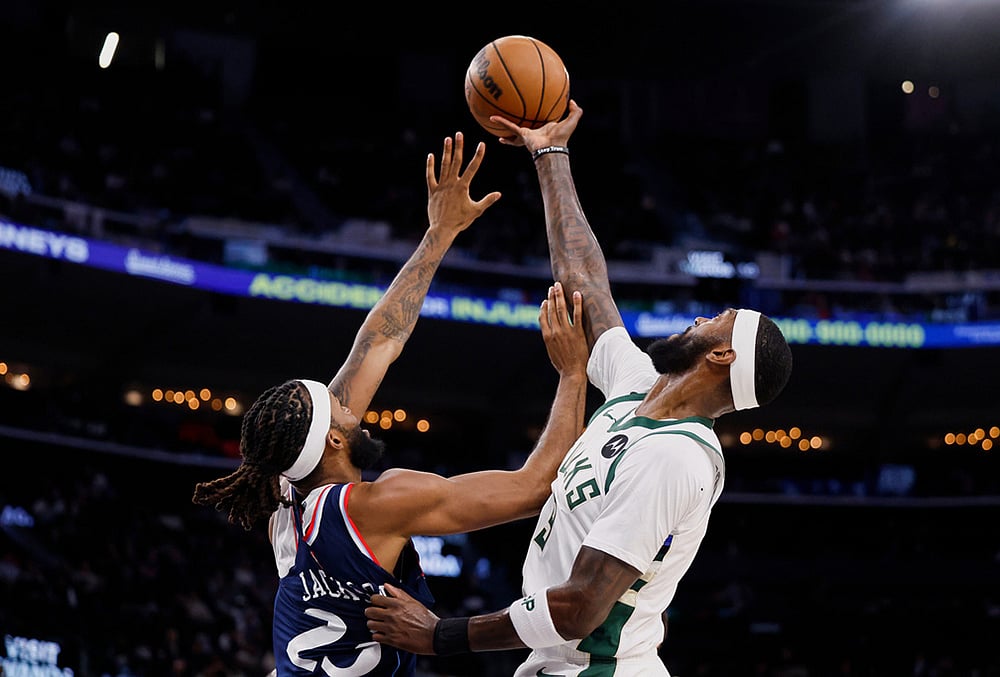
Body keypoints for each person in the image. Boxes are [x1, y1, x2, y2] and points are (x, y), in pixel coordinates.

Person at [364, 102, 794, 676]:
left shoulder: (674, 458)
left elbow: (582, 606)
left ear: (722, 355)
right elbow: (585, 282)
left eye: (713, 319)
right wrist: (550, 152)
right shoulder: (637, 385)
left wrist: (439, 636)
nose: (696, 319)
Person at [192, 132, 593, 676]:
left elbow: (378, 342)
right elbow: (535, 488)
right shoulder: (374, 505)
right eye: (337, 408)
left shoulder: (285, 496)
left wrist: (439, 233)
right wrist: (573, 371)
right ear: (334, 439)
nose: (348, 402)